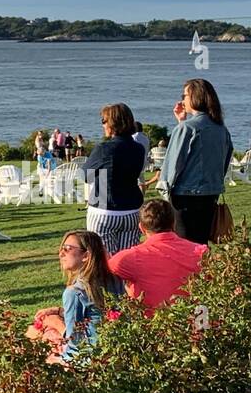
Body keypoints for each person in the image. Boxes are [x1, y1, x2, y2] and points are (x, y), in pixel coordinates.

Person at [157, 78, 233, 243]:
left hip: (185, 197)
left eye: (184, 95)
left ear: (195, 97)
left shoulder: (187, 128)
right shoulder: (221, 129)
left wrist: (164, 192)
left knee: (183, 245)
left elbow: (173, 164)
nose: (182, 100)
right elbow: (225, 160)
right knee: (200, 245)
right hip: (210, 194)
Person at [25, 230, 110, 363]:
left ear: (86, 255)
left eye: (67, 249)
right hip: (112, 350)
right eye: (61, 249)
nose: (61, 253)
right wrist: (59, 311)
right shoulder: (112, 281)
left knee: (37, 333)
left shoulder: (74, 292)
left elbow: (75, 342)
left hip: (87, 360)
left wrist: (56, 323)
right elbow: (95, 314)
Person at [106, 199, 204, 311]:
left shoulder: (130, 258)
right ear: (174, 223)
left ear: (142, 228)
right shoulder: (200, 251)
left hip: (151, 323)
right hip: (197, 320)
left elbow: (100, 272)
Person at [84, 102, 146, 256]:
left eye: (104, 121)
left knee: (104, 263)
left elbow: (86, 176)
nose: (103, 125)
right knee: (128, 262)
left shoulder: (104, 149)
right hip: (131, 210)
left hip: (105, 211)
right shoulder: (139, 149)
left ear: (112, 124)